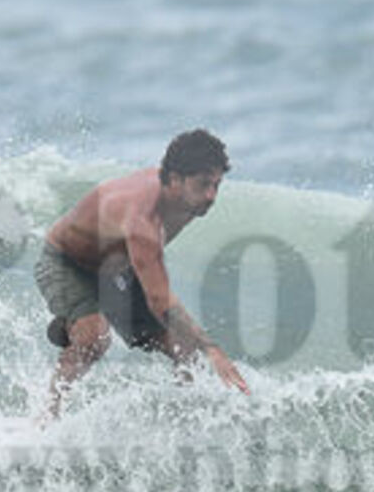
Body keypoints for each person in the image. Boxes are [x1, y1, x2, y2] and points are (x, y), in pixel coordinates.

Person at [33, 128, 251, 416]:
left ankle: (187, 420)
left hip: (117, 268)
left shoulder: (187, 200)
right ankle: (47, 416)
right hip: (68, 263)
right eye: (203, 185)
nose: (211, 196)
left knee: (184, 347)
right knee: (94, 337)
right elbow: (160, 300)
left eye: (216, 185)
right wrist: (213, 349)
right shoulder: (142, 217)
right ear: (175, 179)